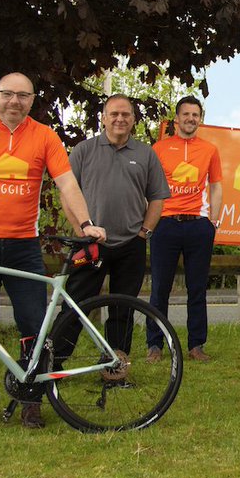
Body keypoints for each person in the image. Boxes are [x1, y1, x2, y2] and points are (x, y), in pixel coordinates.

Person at [0, 72, 106, 429]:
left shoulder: (45, 136)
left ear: (32, 101)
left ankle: (31, 399)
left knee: (33, 324)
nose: (15, 102)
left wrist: (86, 223)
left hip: (22, 244)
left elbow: (67, 184)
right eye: (8, 94)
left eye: (23, 96)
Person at [60, 94, 169, 359]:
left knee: (123, 309)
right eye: (114, 114)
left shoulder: (146, 154)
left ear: (133, 120)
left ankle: (115, 365)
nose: (120, 119)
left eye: (126, 115)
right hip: (91, 244)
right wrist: (80, 230)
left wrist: (144, 233)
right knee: (74, 306)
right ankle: (55, 364)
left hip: (131, 244)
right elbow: (66, 194)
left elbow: (157, 197)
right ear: (104, 118)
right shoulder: (84, 151)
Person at [148, 95, 223, 362]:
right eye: (186, 114)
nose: (191, 119)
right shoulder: (159, 148)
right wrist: (151, 221)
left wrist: (212, 221)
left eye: (196, 115)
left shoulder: (210, 149)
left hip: (198, 226)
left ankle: (196, 345)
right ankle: (154, 345)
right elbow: (150, 188)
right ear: (176, 118)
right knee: (160, 289)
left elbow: (216, 185)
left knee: (197, 288)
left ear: (200, 119)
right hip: (166, 224)